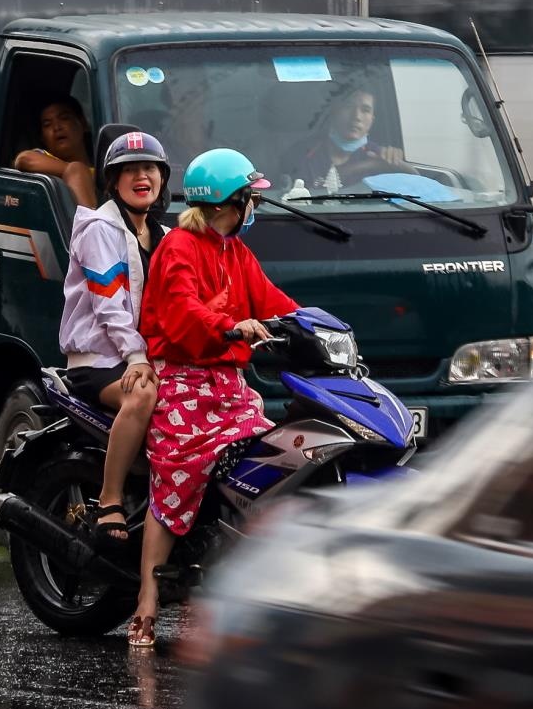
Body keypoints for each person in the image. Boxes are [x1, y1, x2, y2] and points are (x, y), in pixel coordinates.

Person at [132, 148, 298, 648]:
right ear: (231, 202)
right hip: (182, 379)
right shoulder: (179, 247)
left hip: (228, 386)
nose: (255, 208)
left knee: (263, 462)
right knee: (178, 473)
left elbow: (274, 301)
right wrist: (229, 328)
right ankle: (146, 598)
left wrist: (316, 325)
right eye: (251, 199)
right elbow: (182, 311)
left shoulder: (236, 252)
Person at [57, 130, 170, 544]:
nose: (142, 177)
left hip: (140, 357)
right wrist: (137, 356)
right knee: (142, 395)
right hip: (100, 361)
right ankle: (110, 498)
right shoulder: (99, 228)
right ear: (113, 180)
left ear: (162, 178)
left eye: (150, 168)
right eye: (130, 170)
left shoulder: (162, 234)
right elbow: (109, 304)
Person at [279, 86, 410, 193]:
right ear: (334, 111)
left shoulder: (378, 155)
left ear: (372, 120)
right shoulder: (302, 153)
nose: (357, 116)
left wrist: (397, 162)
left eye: (365, 110)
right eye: (349, 106)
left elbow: (412, 185)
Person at [13, 94, 97, 207]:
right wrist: (73, 171)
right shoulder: (45, 159)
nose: (57, 127)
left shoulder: (102, 165)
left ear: (83, 124)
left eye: (64, 118)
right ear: (42, 138)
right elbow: (23, 159)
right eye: (47, 124)